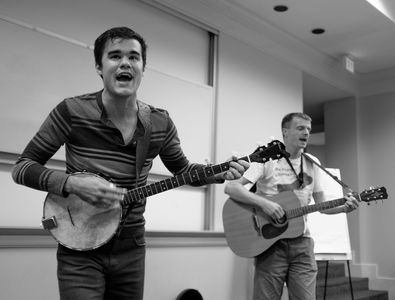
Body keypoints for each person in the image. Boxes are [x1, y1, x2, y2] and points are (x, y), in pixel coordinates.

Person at [11, 26, 249, 300]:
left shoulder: (159, 122)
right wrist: (71, 184)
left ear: (142, 68)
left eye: (134, 57)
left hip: (131, 245)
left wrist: (219, 172)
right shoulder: (71, 112)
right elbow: (22, 167)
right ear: (99, 67)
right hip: (78, 245)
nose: (125, 62)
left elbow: (183, 172)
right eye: (115, 56)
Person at [224, 112, 359, 300]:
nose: (306, 133)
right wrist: (265, 204)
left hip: (302, 244)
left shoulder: (313, 163)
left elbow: (321, 205)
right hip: (270, 244)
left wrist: (345, 207)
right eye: (300, 128)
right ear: (285, 132)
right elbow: (232, 187)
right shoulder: (267, 159)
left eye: (309, 130)